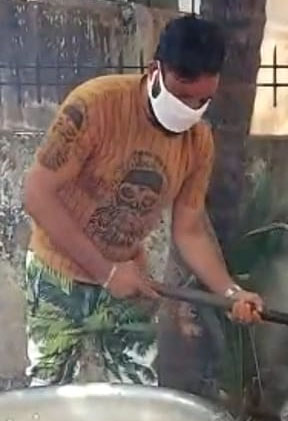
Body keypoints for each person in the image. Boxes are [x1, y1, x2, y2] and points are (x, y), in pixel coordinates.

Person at [23, 15, 263, 387]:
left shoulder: (198, 142)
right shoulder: (95, 106)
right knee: (48, 392)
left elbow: (190, 230)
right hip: (59, 275)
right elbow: (37, 194)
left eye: (203, 100)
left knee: (139, 395)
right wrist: (106, 272)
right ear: (155, 71)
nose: (190, 109)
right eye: (182, 96)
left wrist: (230, 292)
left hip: (130, 281)